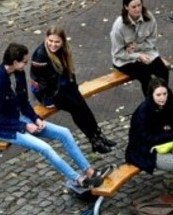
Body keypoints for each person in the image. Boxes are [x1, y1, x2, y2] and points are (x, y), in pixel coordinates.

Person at [0, 43, 111, 192]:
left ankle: (89, 171)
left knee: (64, 133)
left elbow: (23, 102)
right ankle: (77, 179)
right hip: (6, 128)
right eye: (24, 61)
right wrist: (24, 126)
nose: (27, 64)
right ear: (14, 62)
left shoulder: (18, 73)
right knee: (46, 148)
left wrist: (35, 119)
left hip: (21, 118)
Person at [30, 26, 116, 154]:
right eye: (51, 41)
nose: (53, 44)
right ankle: (94, 140)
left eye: (57, 42)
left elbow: (69, 71)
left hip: (63, 86)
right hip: (49, 94)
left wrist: (73, 87)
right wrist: (49, 99)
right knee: (76, 107)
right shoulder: (40, 55)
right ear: (46, 39)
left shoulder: (64, 50)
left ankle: (98, 135)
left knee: (82, 104)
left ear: (63, 41)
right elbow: (40, 82)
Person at [126, 78, 173, 215]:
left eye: (164, 94)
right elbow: (145, 138)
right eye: (158, 95)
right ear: (151, 95)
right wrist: (171, 134)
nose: (162, 98)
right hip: (147, 150)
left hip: (171, 143)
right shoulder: (143, 111)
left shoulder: (172, 104)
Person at [110, 0, 170, 98]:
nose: (138, 9)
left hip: (146, 52)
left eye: (139, 5)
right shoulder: (118, 27)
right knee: (145, 75)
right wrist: (138, 56)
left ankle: (164, 100)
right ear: (126, 7)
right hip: (125, 59)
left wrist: (138, 47)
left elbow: (152, 40)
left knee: (163, 71)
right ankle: (151, 105)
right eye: (133, 7)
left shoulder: (149, 18)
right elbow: (118, 53)